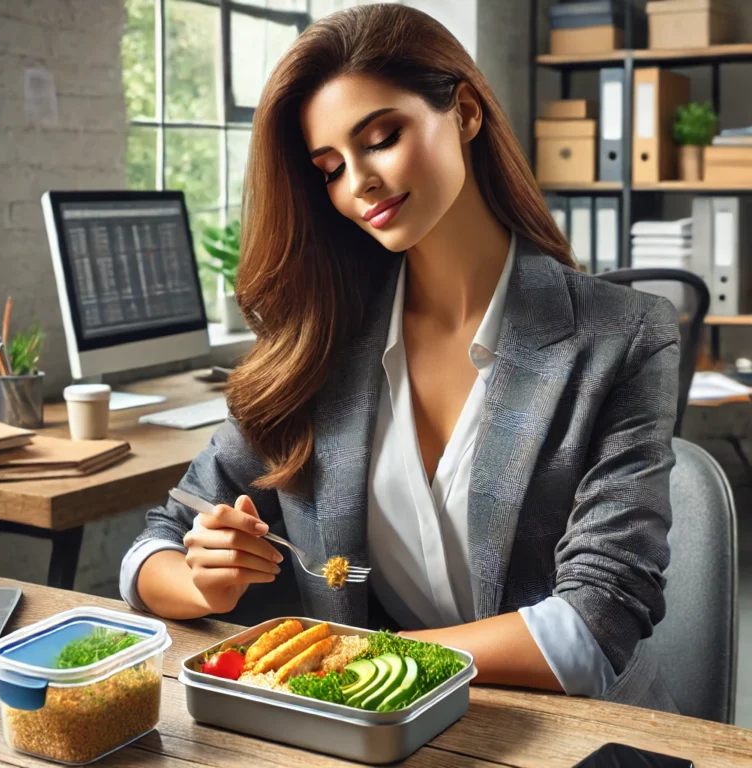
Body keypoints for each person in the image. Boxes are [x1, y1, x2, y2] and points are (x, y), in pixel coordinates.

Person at [120, 4, 680, 711]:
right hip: (368, 737)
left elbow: (594, 627)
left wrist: (351, 659)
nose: (359, 183)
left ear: (466, 111)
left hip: (563, 736)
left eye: (381, 138)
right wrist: (205, 580)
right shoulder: (321, 343)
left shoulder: (624, 337)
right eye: (330, 168)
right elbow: (152, 550)